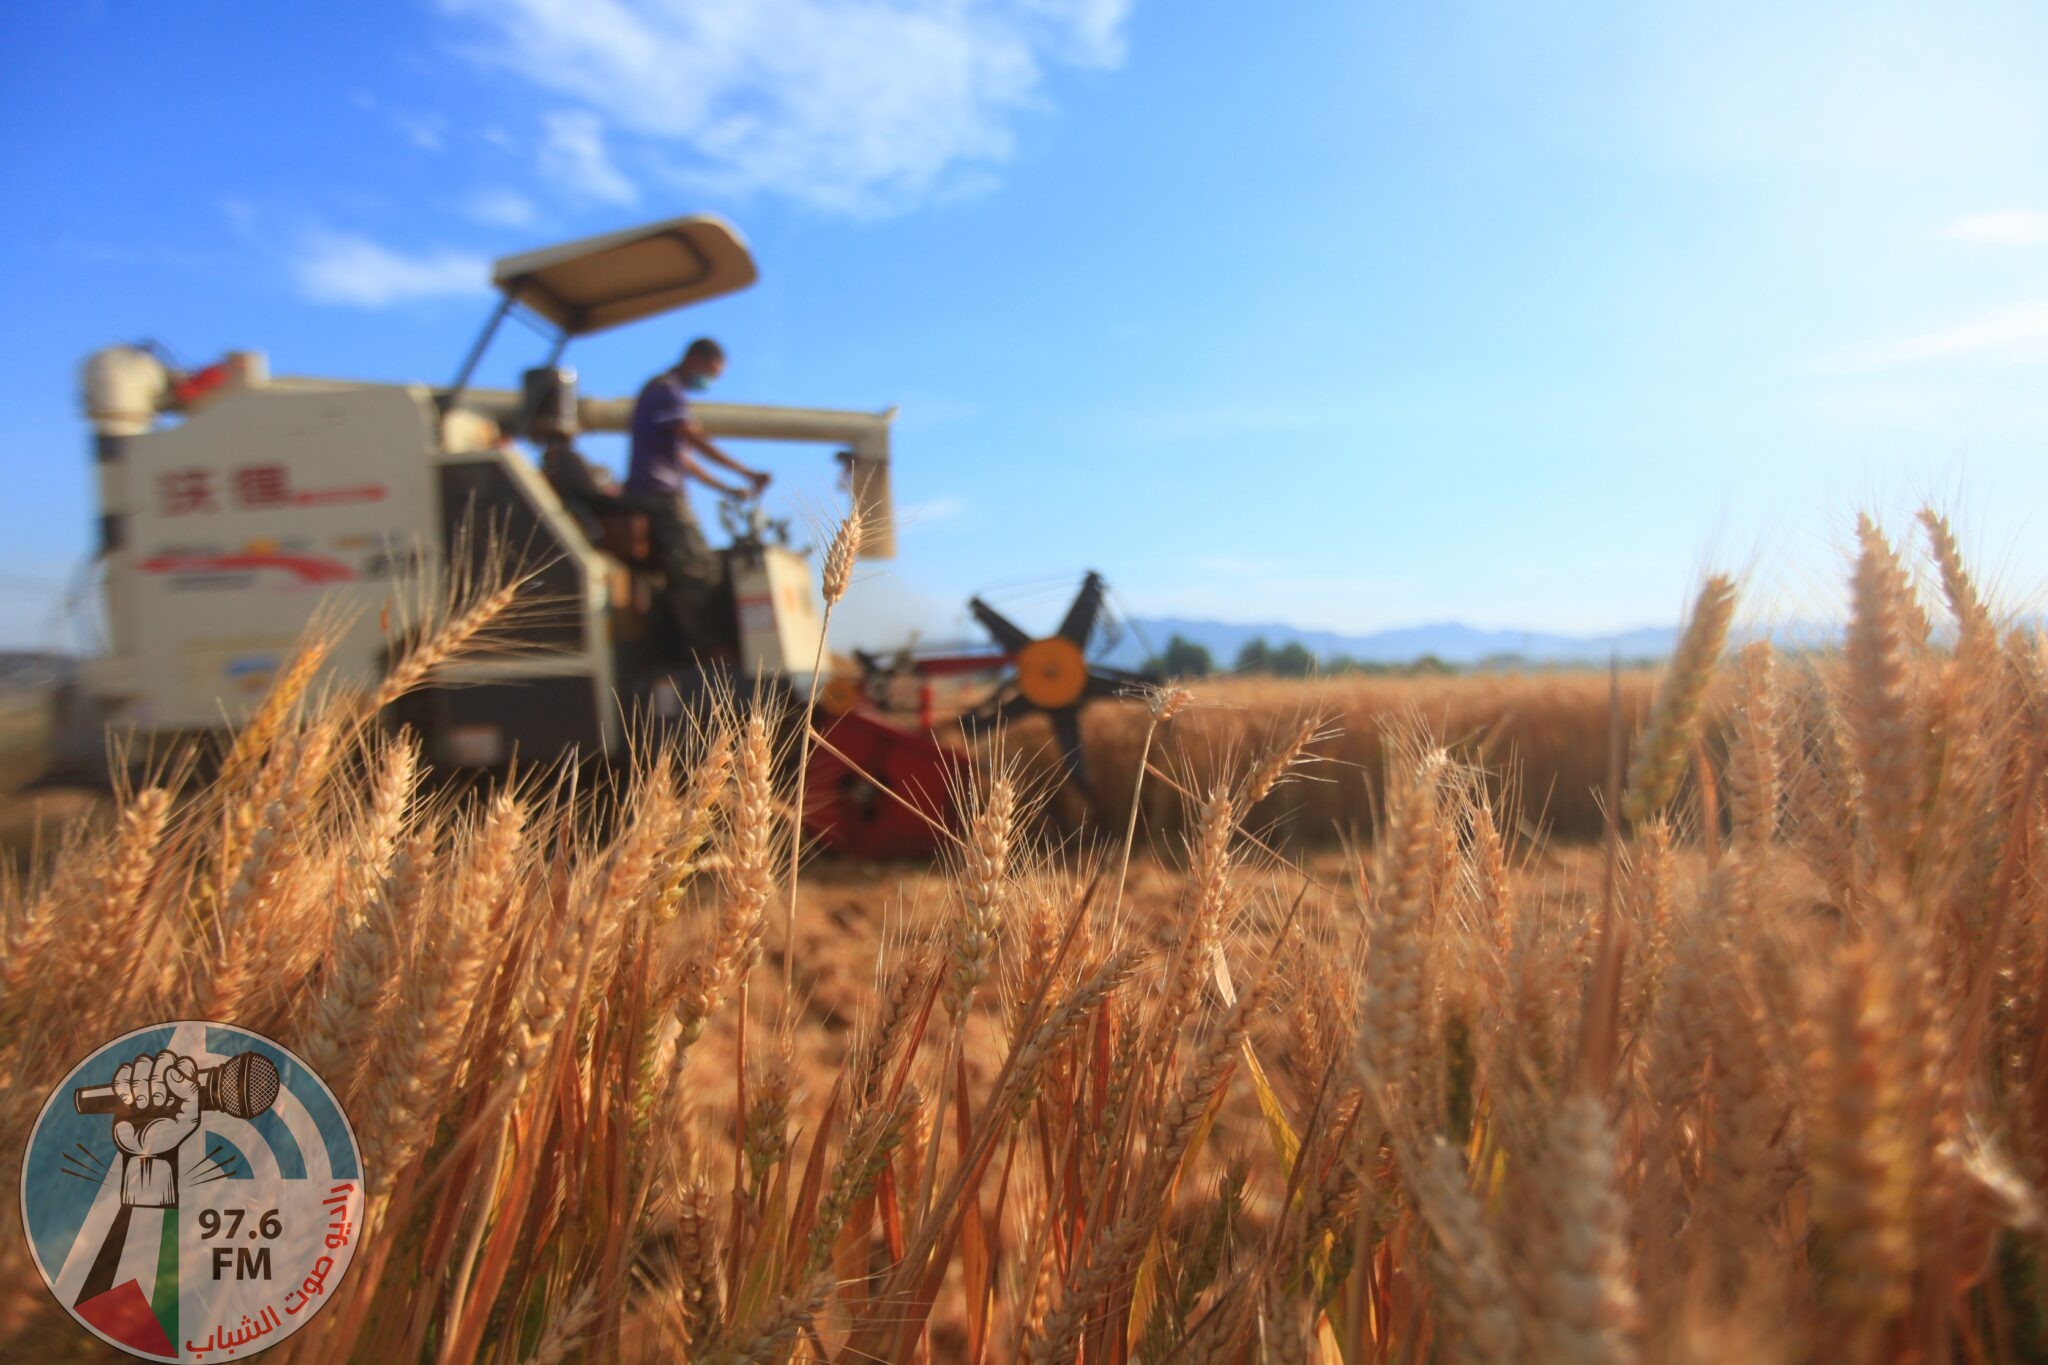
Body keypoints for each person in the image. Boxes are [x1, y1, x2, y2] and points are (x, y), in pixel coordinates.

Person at [623, 337, 771, 655]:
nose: (711, 380)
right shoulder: (665, 391)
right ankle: (704, 651)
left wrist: (728, 488)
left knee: (696, 566)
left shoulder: (670, 395)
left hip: (665, 493)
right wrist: (746, 472)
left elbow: (685, 461)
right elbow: (694, 439)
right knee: (699, 570)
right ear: (694, 359)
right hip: (656, 495)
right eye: (712, 371)